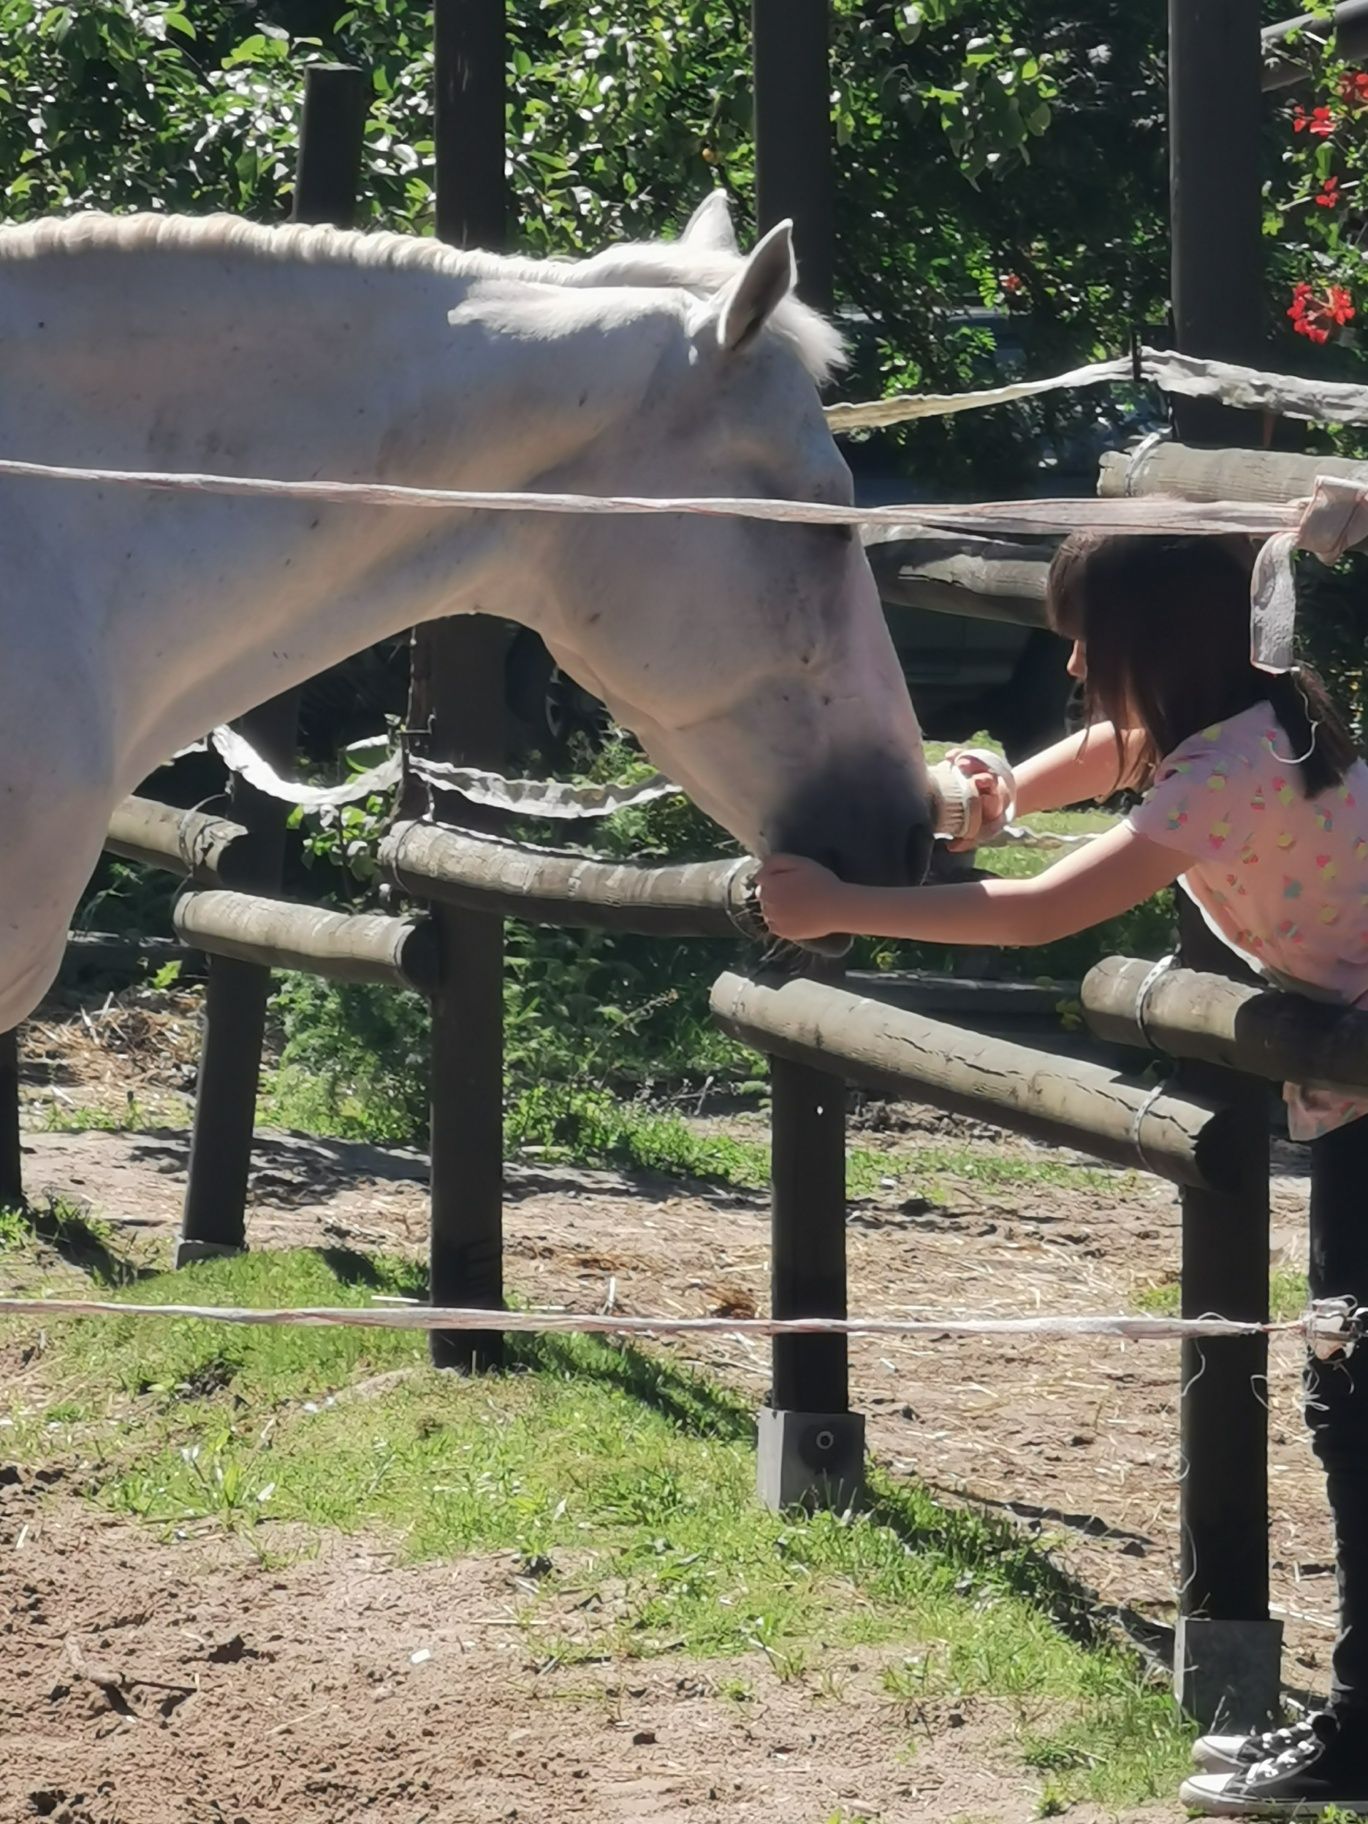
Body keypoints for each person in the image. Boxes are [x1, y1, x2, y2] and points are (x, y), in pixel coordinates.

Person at [758, 531, 1368, 1819]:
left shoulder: (1225, 770)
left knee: (1353, 1397)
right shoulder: (1255, 719)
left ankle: (1367, 1725)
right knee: (1349, 1391)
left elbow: (1036, 915)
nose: (1077, 665)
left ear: (1164, 645)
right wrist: (1005, 795)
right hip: (1350, 1084)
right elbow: (1105, 757)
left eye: (1092, 640)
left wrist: (836, 910)